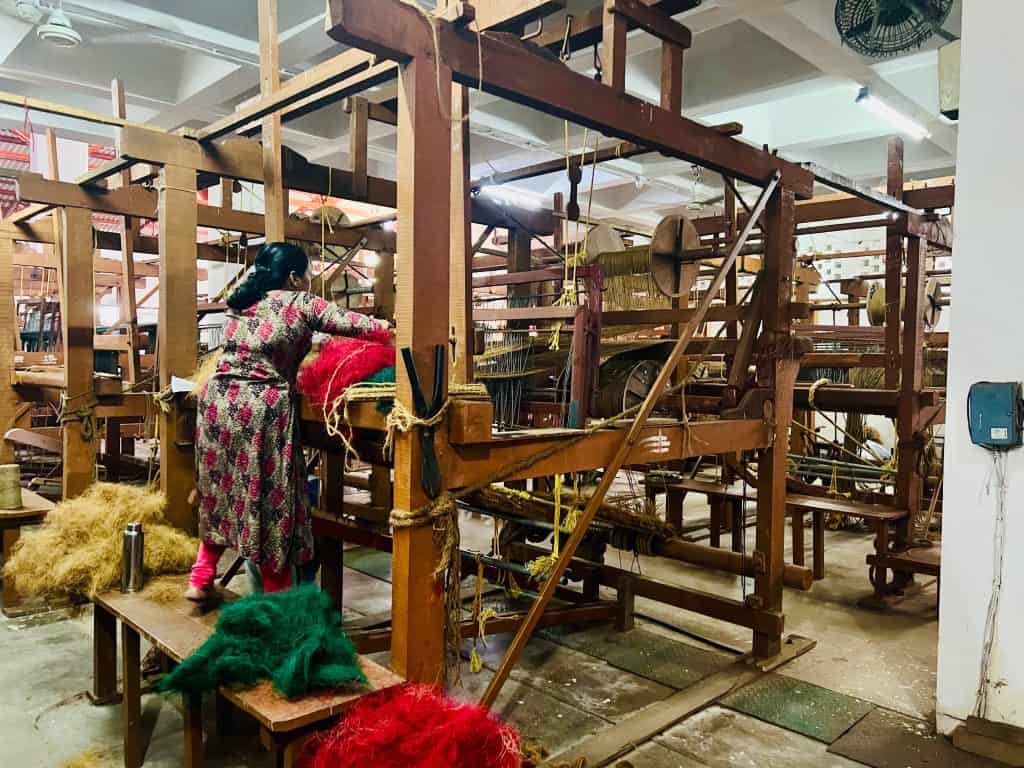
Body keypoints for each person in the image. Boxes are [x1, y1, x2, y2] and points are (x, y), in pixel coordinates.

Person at [185, 242, 389, 601]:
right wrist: (389, 326)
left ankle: (200, 578)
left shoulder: (242, 304)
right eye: (307, 275)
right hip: (261, 410)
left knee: (222, 490)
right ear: (294, 276)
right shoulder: (300, 302)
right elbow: (353, 323)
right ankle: (278, 601)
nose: (308, 282)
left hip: (218, 402)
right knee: (269, 497)